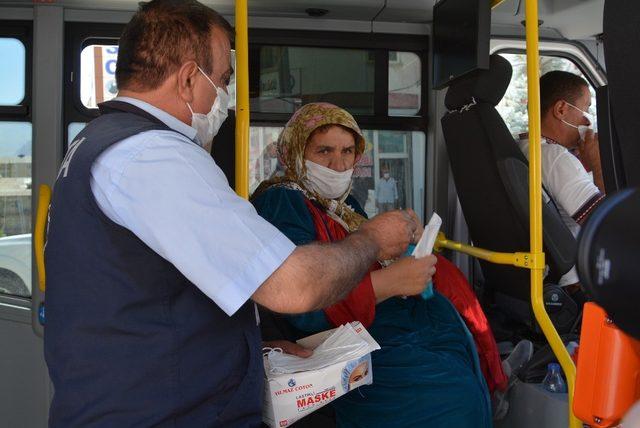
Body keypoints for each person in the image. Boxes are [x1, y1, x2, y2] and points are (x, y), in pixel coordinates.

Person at [43, 2, 419, 427]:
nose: (223, 97)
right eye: (222, 81)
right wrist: (371, 241)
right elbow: (294, 287)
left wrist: (254, 350)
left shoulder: (100, 143)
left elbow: (150, 296)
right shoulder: (152, 156)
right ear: (188, 79)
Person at [252, 102, 492, 428]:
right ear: (295, 150)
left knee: (452, 350)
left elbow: (364, 254)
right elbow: (301, 298)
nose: (338, 164)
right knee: (449, 392)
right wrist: (390, 282)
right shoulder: (282, 201)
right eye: (324, 151)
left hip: (376, 320)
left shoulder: (342, 204)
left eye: (348, 151)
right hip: (338, 335)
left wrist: (406, 242)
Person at [516, 70, 605, 287]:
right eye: (586, 109)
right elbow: (607, 226)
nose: (588, 120)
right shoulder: (555, 157)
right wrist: (598, 165)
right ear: (561, 109)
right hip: (580, 283)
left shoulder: (526, 148)